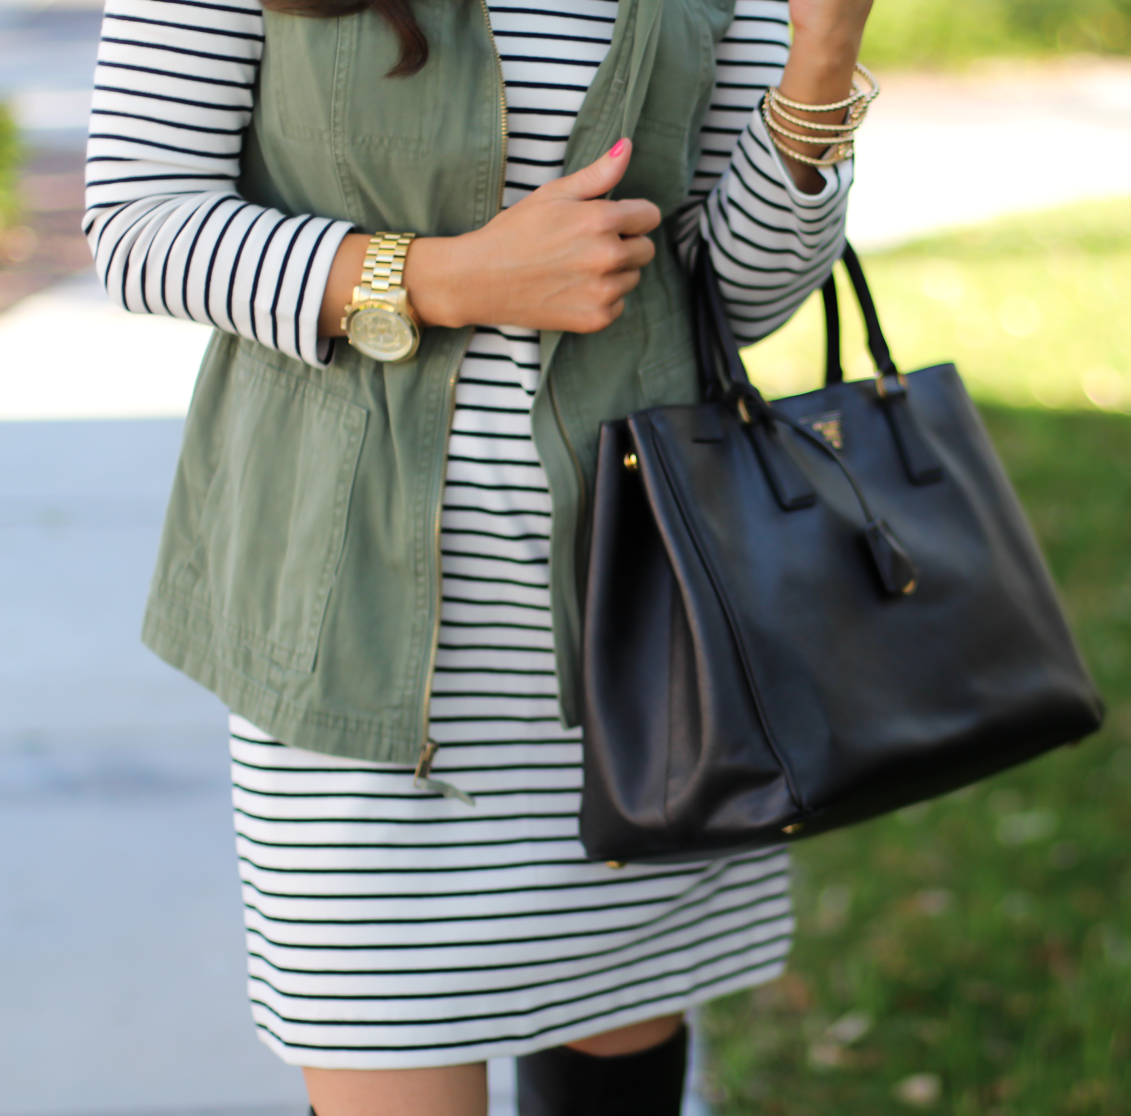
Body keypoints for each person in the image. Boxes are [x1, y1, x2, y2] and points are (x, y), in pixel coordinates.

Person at [80, 0, 875, 1105]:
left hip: (634, 639)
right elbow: (136, 223)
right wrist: (440, 275)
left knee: (616, 1075)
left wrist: (824, 56)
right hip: (347, 645)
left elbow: (732, 298)